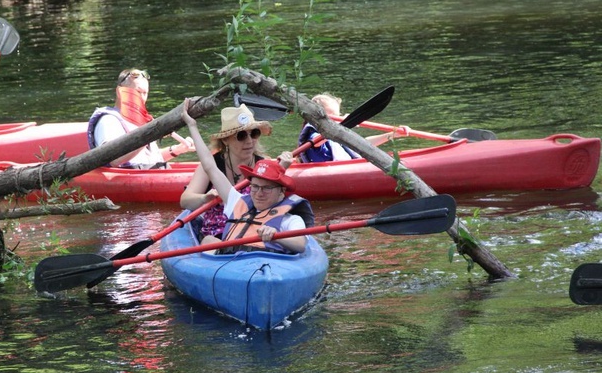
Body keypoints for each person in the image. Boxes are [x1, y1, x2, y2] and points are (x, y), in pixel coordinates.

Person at [181, 99, 313, 255]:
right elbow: (209, 165)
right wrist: (192, 125)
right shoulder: (236, 201)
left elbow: (300, 243)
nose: (249, 141)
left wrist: (276, 236)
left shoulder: (288, 219)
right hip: (224, 234)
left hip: (262, 237)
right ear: (225, 140)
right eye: (241, 135)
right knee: (209, 241)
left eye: (254, 134)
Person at [87, 68, 194, 169]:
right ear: (119, 93)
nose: (142, 98)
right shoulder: (109, 121)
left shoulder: (140, 121)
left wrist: (176, 150)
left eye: (145, 93)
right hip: (129, 182)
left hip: (151, 177)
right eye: (137, 92)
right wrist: (149, 135)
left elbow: (147, 159)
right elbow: (113, 160)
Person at [298, 93, 410, 163]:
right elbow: (316, 143)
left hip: (344, 167)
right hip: (329, 172)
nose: (336, 119)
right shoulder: (313, 130)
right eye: (332, 117)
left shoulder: (336, 131)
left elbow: (363, 145)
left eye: (337, 115)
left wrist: (391, 134)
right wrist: (342, 125)